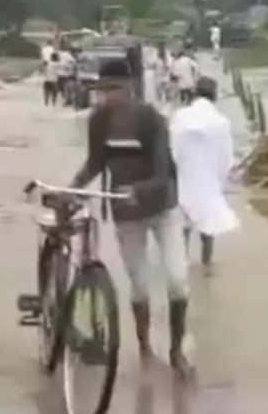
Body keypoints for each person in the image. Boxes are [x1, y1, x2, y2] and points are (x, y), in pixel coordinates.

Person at [67, 57, 194, 377]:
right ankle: (144, 347)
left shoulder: (151, 119)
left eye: (113, 90)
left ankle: (176, 350)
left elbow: (164, 172)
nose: (107, 96)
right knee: (138, 285)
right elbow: (95, 163)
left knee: (178, 281)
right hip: (125, 212)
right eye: (102, 90)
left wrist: (140, 189)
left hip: (162, 208)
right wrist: (72, 188)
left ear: (128, 88)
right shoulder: (98, 121)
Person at [169, 75, 239, 275]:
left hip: (184, 174)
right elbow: (226, 157)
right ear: (214, 95)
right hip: (209, 177)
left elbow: (172, 147)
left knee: (184, 223)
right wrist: (222, 176)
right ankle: (206, 265)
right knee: (208, 223)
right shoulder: (221, 121)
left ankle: (180, 264)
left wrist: (177, 169)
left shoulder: (180, 116)